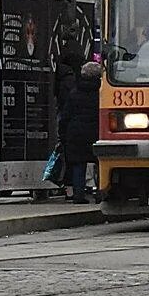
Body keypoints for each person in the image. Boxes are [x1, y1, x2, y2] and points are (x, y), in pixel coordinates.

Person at [57, 60, 101, 203]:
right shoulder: (101, 93)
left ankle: (78, 195)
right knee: (101, 163)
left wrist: (63, 134)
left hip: (76, 133)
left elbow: (66, 115)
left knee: (78, 165)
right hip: (96, 132)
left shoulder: (74, 92)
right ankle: (102, 193)